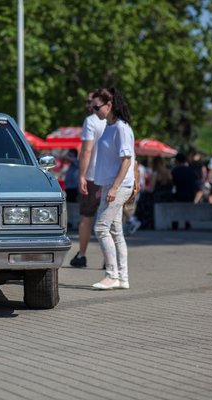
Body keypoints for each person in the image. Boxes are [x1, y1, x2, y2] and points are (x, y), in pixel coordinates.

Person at [89, 87, 135, 290]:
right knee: (116, 231)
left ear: (109, 105)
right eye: (92, 107)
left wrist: (114, 187)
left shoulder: (121, 128)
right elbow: (110, 162)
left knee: (101, 228)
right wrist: (104, 185)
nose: (94, 110)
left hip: (120, 185)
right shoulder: (109, 127)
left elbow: (127, 160)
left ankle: (112, 275)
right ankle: (123, 278)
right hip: (111, 185)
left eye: (96, 107)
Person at [70, 91, 106, 268]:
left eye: (90, 101)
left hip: (92, 176)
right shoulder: (115, 121)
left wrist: (82, 175)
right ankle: (109, 259)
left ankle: (82, 255)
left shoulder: (91, 121)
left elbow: (86, 150)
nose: (88, 104)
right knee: (109, 220)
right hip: (109, 177)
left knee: (86, 218)